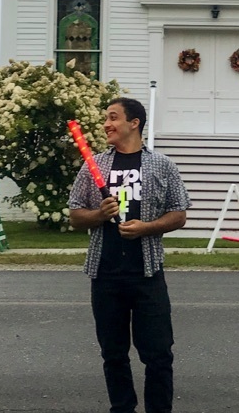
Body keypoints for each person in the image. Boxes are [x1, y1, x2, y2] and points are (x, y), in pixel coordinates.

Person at [68, 97, 191, 413]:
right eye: (105, 118)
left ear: (134, 123)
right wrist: (98, 215)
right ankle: (122, 408)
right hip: (106, 272)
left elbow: (178, 213)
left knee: (159, 354)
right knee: (113, 353)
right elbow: (75, 214)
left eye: (113, 117)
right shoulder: (94, 164)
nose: (106, 124)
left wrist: (146, 227)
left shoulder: (162, 165)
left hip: (147, 273)